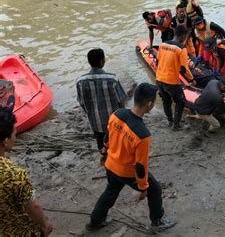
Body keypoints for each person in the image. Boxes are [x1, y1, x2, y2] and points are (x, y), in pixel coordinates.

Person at [87, 83, 176, 233]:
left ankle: (95, 221)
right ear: (149, 105)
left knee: (111, 191)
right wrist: (143, 188)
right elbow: (140, 166)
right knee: (155, 189)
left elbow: (107, 137)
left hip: (110, 165)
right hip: (127, 172)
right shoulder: (142, 134)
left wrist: (103, 153)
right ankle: (157, 221)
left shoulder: (117, 114)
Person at [0, 108, 54, 236]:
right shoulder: (13, 174)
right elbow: (33, 206)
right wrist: (45, 224)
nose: (15, 137)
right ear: (5, 141)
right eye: (14, 133)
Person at [77, 49, 127, 158]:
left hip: (95, 122)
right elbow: (122, 100)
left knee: (100, 142)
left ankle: (104, 157)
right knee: (116, 144)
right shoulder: (112, 79)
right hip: (113, 122)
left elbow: (81, 102)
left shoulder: (81, 81)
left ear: (90, 62)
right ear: (102, 61)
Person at [156, 25, 195, 130]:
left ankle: (170, 121)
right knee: (180, 101)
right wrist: (191, 80)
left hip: (159, 79)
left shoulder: (162, 45)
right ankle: (176, 126)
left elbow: (157, 62)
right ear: (183, 36)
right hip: (171, 81)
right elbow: (184, 68)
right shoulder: (181, 49)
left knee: (166, 101)